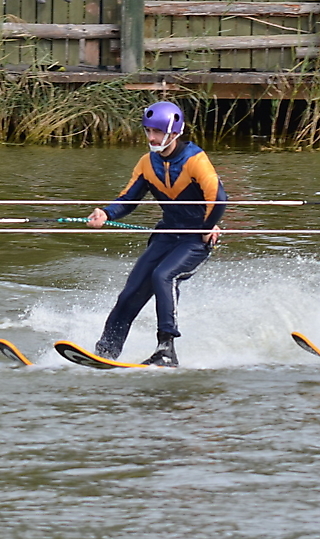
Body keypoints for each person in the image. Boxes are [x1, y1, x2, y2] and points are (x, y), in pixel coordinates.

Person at [85, 101, 226, 367]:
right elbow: (128, 199)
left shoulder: (195, 160)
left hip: (196, 240)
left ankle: (166, 350)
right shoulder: (147, 163)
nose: (151, 137)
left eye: (158, 132)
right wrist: (106, 213)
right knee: (131, 292)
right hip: (166, 235)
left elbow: (218, 199)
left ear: (174, 133)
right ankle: (105, 352)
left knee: (164, 276)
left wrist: (208, 227)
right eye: (148, 131)